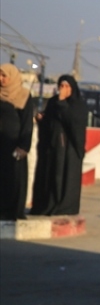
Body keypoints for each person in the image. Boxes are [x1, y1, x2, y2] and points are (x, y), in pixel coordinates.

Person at [31, 74, 88, 216]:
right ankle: (44, 205)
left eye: (66, 86)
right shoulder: (53, 102)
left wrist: (62, 103)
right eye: (61, 86)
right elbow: (50, 120)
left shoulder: (77, 105)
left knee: (61, 177)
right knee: (48, 176)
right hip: (52, 147)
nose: (63, 89)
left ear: (72, 89)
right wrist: (41, 119)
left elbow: (74, 123)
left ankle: (61, 206)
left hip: (68, 150)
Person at [0, 63, 37, 220]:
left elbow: (27, 123)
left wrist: (24, 146)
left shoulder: (23, 95)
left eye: (4, 76)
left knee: (13, 178)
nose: (1, 79)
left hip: (14, 145)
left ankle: (11, 211)